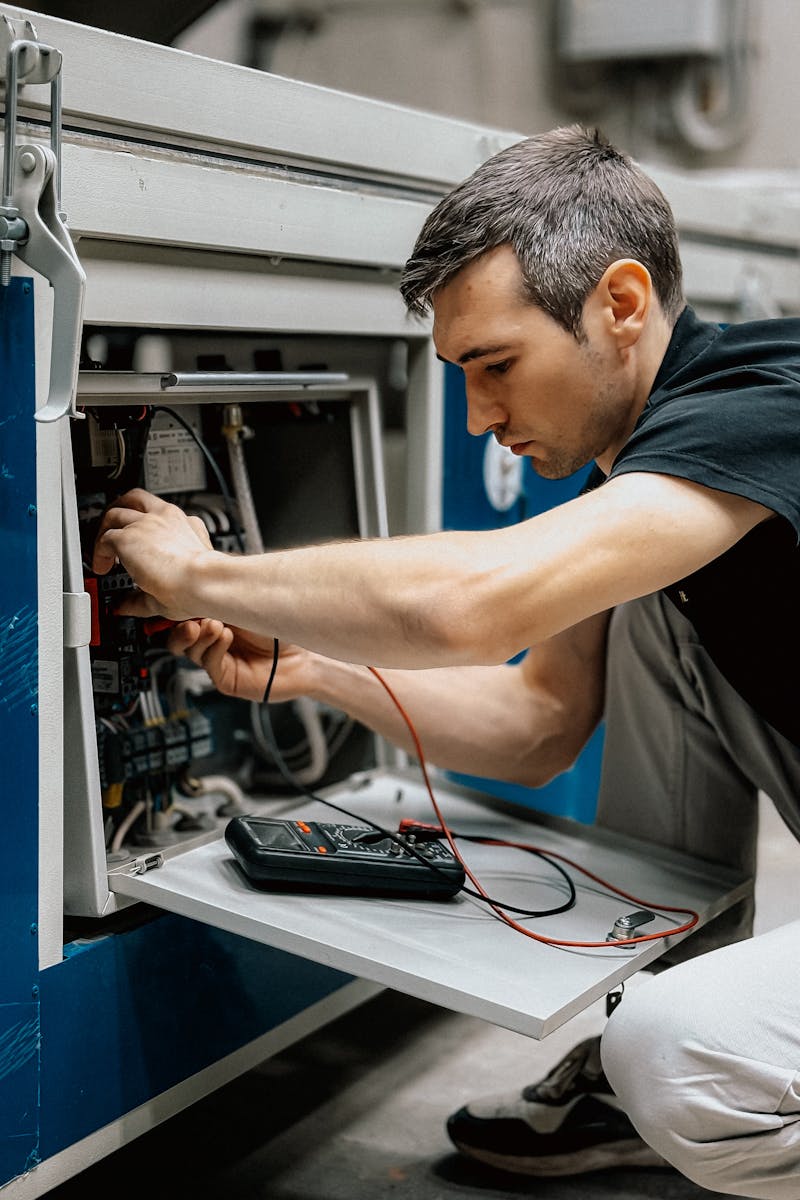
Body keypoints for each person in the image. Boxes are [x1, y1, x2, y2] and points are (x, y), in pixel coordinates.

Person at [93, 126, 800, 1199]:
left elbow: (476, 601)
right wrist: (313, 668)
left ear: (618, 303)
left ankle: (650, 1062)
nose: (478, 416)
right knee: (641, 601)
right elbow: (535, 722)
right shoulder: (645, 480)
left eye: (496, 366)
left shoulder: (769, 401)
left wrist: (204, 577)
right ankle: (630, 1065)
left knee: (684, 1052)